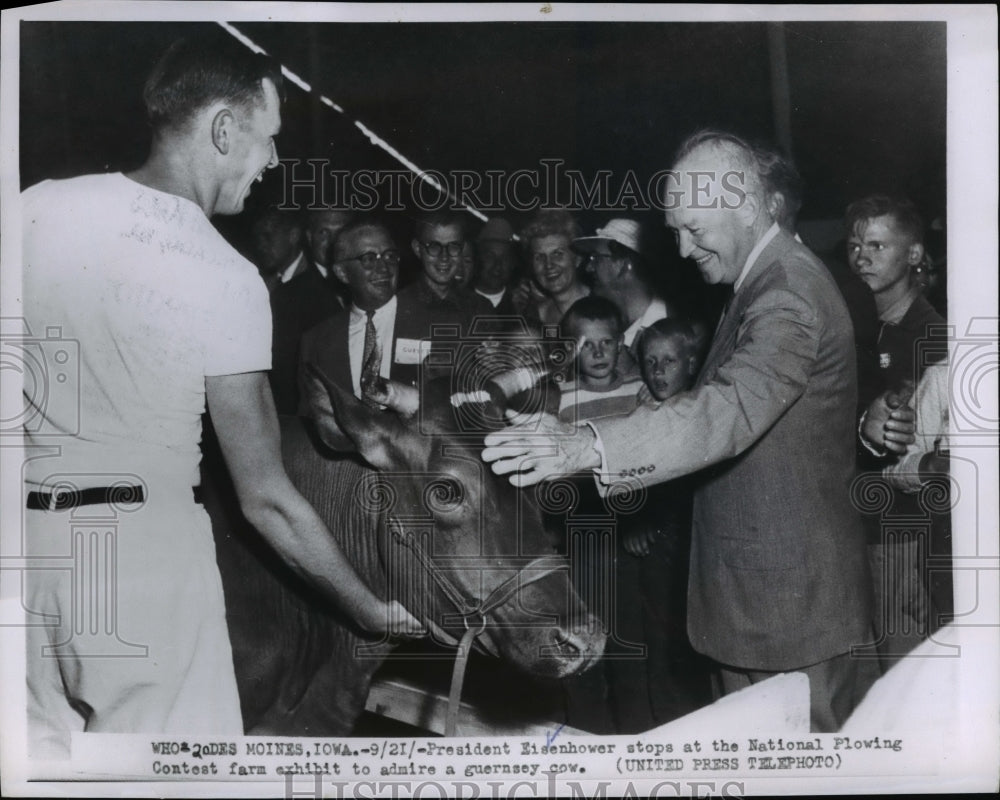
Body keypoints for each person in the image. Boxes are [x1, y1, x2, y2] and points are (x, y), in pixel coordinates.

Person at [20, 35, 421, 757]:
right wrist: (369, 608)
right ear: (223, 130)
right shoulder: (224, 276)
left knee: (35, 773)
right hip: (144, 558)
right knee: (177, 777)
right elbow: (265, 497)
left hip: (21, 544)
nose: (272, 164)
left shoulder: (37, 209)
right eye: (267, 141)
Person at [483, 130, 876, 732]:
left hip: (789, 618)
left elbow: (727, 408)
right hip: (757, 607)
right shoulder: (753, 286)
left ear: (746, 205)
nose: (684, 247)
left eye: (696, 229)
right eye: (674, 230)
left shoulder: (787, 294)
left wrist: (587, 444)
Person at [847, 194, 949, 669]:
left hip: (899, 532)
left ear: (913, 255)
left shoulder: (930, 336)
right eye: (854, 246)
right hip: (858, 525)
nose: (861, 257)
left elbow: (921, 453)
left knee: (900, 676)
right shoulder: (866, 329)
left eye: (877, 245)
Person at [269, 208, 354, 414]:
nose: (332, 241)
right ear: (309, 237)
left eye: (340, 232)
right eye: (324, 232)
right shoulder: (287, 297)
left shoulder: (365, 284)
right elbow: (284, 379)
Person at [572, 218, 672, 359]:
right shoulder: (609, 328)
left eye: (595, 258)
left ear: (624, 264)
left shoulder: (672, 323)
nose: (589, 268)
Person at [556, 296, 642, 424]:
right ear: (571, 349)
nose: (598, 353)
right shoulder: (561, 399)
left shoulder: (640, 388)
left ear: (619, 343)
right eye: (587, 344)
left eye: (606, 342)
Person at [515, 209, 590, 326]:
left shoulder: (601, 305)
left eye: (557, 254)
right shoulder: (534, 315)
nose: (548, 265)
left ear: (577, 258)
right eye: (539, 257)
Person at [250, 205, 307, 293]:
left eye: (268, 237)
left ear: (294, 236)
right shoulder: (262, 282)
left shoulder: (317, 279)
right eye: (258, 239)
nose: (261, 246)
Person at [474, 217, 521, 314]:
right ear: (478, 258)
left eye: (505, 258)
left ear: (513, 263)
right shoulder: (457, 303)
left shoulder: (521, 308)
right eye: (490, 256)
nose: (498, 265)